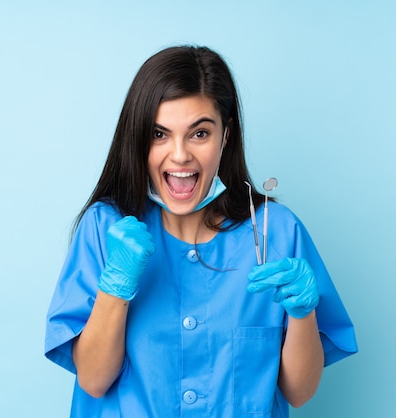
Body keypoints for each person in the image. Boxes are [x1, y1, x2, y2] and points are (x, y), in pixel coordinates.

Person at [45, 45, 357, 417]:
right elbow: (94, 380)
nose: (179, 155)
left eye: (199, 134)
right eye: (159, 134)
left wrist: (304, 314)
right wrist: (115, 287)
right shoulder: (106, 228)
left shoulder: (278, 233)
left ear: (225, 136)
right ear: (138, 139)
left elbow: (300, 392)